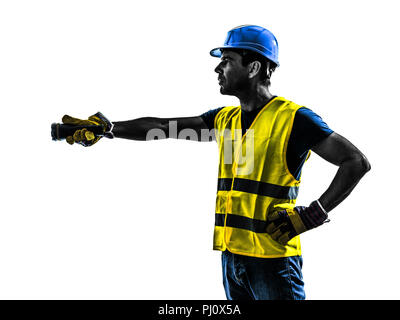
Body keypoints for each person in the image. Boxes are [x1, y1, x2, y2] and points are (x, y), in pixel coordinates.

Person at [61, 25, 371, 300]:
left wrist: (313, 214)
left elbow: (355, 161)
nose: (217, 69)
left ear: (253, 67)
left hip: (272, 262)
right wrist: (110, 128)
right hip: (231, 258)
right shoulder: (224, 119)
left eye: (226, 60)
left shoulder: (295, 119)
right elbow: (164, 127)